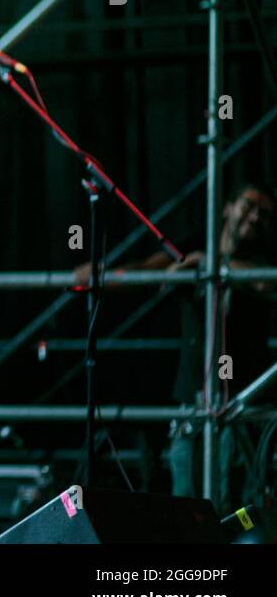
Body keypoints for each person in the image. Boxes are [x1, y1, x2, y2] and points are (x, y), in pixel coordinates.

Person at [75, 181, 277, 503]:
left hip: (243, 404)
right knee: (185, 498)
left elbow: (264, 281)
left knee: (234, 502)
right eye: (248, 207)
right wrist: (103, 275)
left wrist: (211, 266)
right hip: (191, 401)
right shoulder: (195, 247)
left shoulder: (260, 258)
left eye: (264, 214)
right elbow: (146, 271)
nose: (255, 218)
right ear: (227, 208)